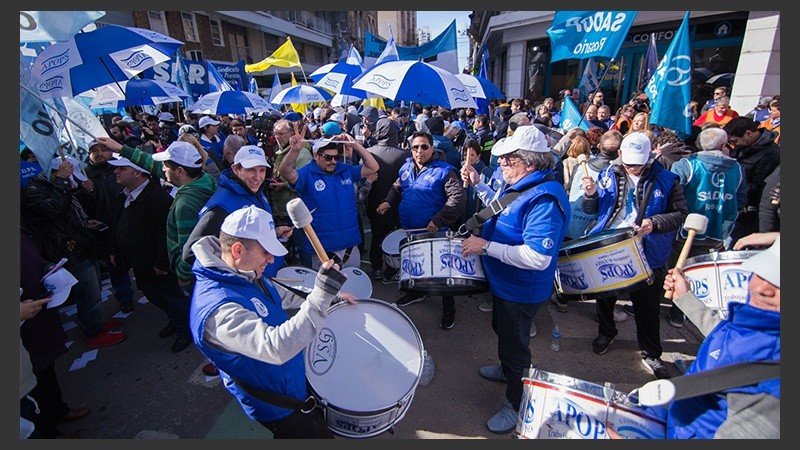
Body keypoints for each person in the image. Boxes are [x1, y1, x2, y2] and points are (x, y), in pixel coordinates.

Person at [189, 205, 355, 439]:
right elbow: (275, 348)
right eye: (266, 251)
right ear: (237, 249)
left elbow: (277, 293)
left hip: (290, 383)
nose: (271, 258)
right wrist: (321, 295)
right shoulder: (218, 311)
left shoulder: (239, 271)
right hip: (278, 405)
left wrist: (331, 296)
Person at [459, 125, 570, 434]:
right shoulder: (524, 182)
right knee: (504, 333)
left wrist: (485, 246)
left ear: (529, 162)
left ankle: (517, 401)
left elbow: (538, 257)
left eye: (508, 159)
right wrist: (480, 186)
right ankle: (508, 370)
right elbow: (503, 210)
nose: (501, 164)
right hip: (505, 284)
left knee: (516, 347)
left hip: (521, 290)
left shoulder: (544, 200)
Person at [623, 235, 780, 439]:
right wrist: (686, 298)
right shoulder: (757, 327)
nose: (762, 289)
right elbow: (729, 338)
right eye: (764, 273)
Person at [580, 132, 687, 379]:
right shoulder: (609, 173)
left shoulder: (668, 179)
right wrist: (590, 195)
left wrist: (654, 222)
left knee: (647, 305)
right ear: (619, 155)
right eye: (629, 163)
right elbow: (592, 210)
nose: (634, 168)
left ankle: (651, 352)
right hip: (610, 244)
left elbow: (680, 214)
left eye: (639, 163)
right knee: (604, 297)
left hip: (648, 249)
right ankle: (606, 332)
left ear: (650, 156)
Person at [21, 156, 127, 349]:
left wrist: (85, 221)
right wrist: (63, 181)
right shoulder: (35, 192)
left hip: (82, 244)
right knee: (88, 293)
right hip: (68, 250)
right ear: (56, 173)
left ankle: (93, 323)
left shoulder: (59, 185)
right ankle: (93, 332)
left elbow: (69, 211)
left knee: (94, 289)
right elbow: (54, 210)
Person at [377, 131, 466, 329]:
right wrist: (387, 201)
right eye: (415, 147)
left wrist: (438, 220)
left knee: (442, 273)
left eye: (424, 146)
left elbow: (457, 199)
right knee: (416, 266)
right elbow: (397, 185)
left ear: (432, 148)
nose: (419, 151)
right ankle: (417, 293)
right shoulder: (407, 166)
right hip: (409, 229)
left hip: (435, 232)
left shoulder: (445, 171)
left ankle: (449, 307)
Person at [106, 156, 194, 353]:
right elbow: (117, 224)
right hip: (139, 262)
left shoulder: (158, 199)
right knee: (153, 295)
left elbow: (166, 234)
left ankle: (184, 329)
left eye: (122, 169)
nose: (116, 172)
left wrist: (162, 262)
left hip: (156, 263)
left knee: (172, 297)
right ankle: (174, 320)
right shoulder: (123, 195)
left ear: (137, 172)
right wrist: (114, 249)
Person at [665, 127, 747, 327]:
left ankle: (678, 311)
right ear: (722, 145)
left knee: (675, 271)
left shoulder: (685, 166)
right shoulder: (738, 169)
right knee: (695, 274)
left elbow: (671, 197)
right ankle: (680, 311)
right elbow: (742, 199)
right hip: (716, 233)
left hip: (682, 233)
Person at [278, 126, 379, 270]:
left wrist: (355, 145)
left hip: (350, 246)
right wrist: (295, 151)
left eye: (335, 157)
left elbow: (373, 167)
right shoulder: (306, 174)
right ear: (315, 156)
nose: (333, 161)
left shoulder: (344, 170)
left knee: (353, 289)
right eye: (327, 157)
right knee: (326, 291)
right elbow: (285, 171)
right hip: (321, 251)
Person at [363, 117, 408, 282]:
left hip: (374, 201)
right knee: (396, 237)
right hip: (397, 203)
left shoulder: (368, 152)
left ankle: (376, 268)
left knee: (376, 236)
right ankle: (391, 268)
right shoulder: (405, 154)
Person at [723, 117, 780, 246]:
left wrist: (732, 189)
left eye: (735, 141)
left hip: (752, 212)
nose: (734, 145)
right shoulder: (742, 148)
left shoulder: (771, 154)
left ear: (748, 133)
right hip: (737, 207)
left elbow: (760, 186)